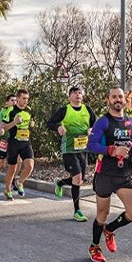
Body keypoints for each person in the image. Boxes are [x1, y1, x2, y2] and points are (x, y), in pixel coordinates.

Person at [86, 86, 132, 262]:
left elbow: (131, 140)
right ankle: (95, 246)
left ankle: (110, 230)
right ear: (108, 101)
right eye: (114, 97)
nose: (117, 99)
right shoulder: (103, 122)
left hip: (124, 174)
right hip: (105, 174)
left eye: (120, 96)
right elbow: (91, 145)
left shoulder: (129, 121)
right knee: (102, 214)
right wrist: (111, 149)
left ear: (124, 100)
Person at [47, 86, 97, 222]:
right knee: (77, 176)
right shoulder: (64, 110)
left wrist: (91, 129)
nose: (77, 95)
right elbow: (49, 123)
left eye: (80, 93)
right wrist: (58, 127)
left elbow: (96, 125)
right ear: (69, 97)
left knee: (80, 180)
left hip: (83, 149)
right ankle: (77, 211)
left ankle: (60, 182)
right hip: (68, 149)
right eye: (74, 93)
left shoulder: (88, 110)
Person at [1, 89, 35, 200]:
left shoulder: (29, 110)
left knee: (30, 165)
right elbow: (4, 127)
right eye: (24, 98)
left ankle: (19, 182)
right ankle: (7, 189)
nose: (26, 101)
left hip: (25, 142)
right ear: (18, 98)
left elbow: (31, 121)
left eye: (27, 99)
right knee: (12, 169)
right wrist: (14, 122)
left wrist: (32, 124)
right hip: (14, 142)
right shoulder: (11, 111)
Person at [0, 94, 17, 191]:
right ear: (7, 102)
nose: (14, 102)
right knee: (2, 163)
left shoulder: (18, 111)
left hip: (15, 140)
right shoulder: (3, 112)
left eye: (15, 100)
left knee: (16, 162)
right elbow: (0, 125)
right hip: (4, 139)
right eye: (12, 100)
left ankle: (13, 181)